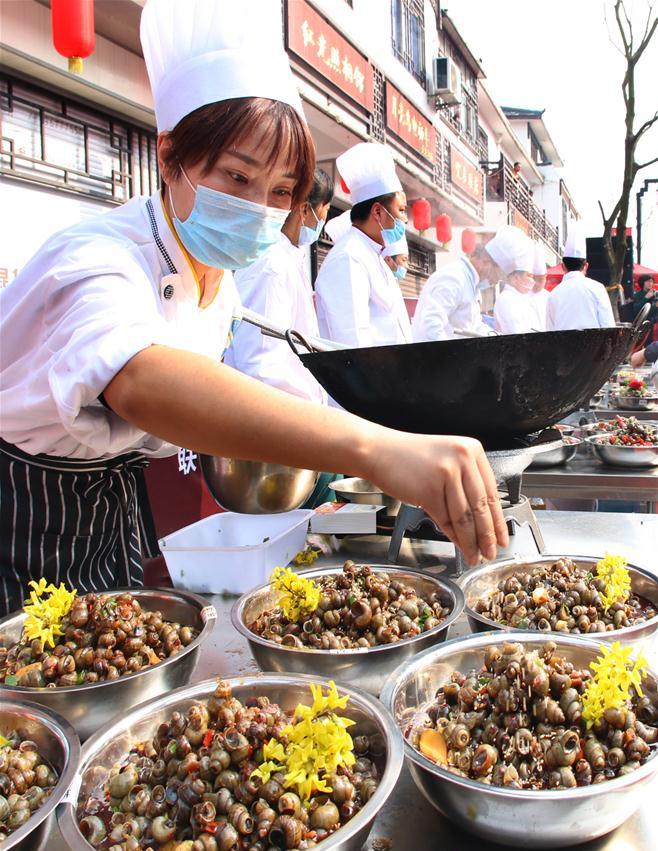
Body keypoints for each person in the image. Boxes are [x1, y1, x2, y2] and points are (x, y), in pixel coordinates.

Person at [0, 0, 507, 611]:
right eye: (238, 179)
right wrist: (375, 448)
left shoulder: (217, 278)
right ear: (169, 157)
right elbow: (137, 377)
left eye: (281, 191)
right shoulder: (95, 256)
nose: (259, 207)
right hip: (20, 519)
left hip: (111, 516)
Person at [223, 166, 333, 403]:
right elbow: (261, 368)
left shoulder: (290, 259)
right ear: (305, 209)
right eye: (325, 211)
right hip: (277, 415)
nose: (323, 221)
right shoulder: (272, 266)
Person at [314, 142, 412, 347]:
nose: (405, 220)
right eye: (401, 210)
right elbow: (352, 344)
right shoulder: (349, 258)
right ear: (377, 212)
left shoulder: (373, 256)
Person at [411, 225, 527, 341]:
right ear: (487, 261)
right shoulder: (454, 278)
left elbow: (474, 326)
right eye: (498, 275)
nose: (496, 281)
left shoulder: (473, 285)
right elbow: (431, 326)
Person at [546, 224, 616, 330]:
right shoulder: (597, 288)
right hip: (595, 346)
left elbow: (549, 332)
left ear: (562, 266)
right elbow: (609, 327)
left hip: (563, 346)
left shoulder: (553, 295)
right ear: (586, 266)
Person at [493, 237, 537, 334]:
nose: (532, 280)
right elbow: (514, 333)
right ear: (516, 277)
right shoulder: (506, 299)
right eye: (529, 276)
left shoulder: (522, 298)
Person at [529, 242, 549, 330]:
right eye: (535, 279)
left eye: (540, 279)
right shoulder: (521, 295)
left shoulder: (549, 297)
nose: (537, 283)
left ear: (545, 277)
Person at [632, 274, 658, 340]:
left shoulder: (656, 294)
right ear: (643, 282)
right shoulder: (637, 295)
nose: (650, 283)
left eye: (652, 281)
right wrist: (646, 298)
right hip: (639, 325)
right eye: (648, 281)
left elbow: (655, 311)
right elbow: (636, 310)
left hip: (652, 325)